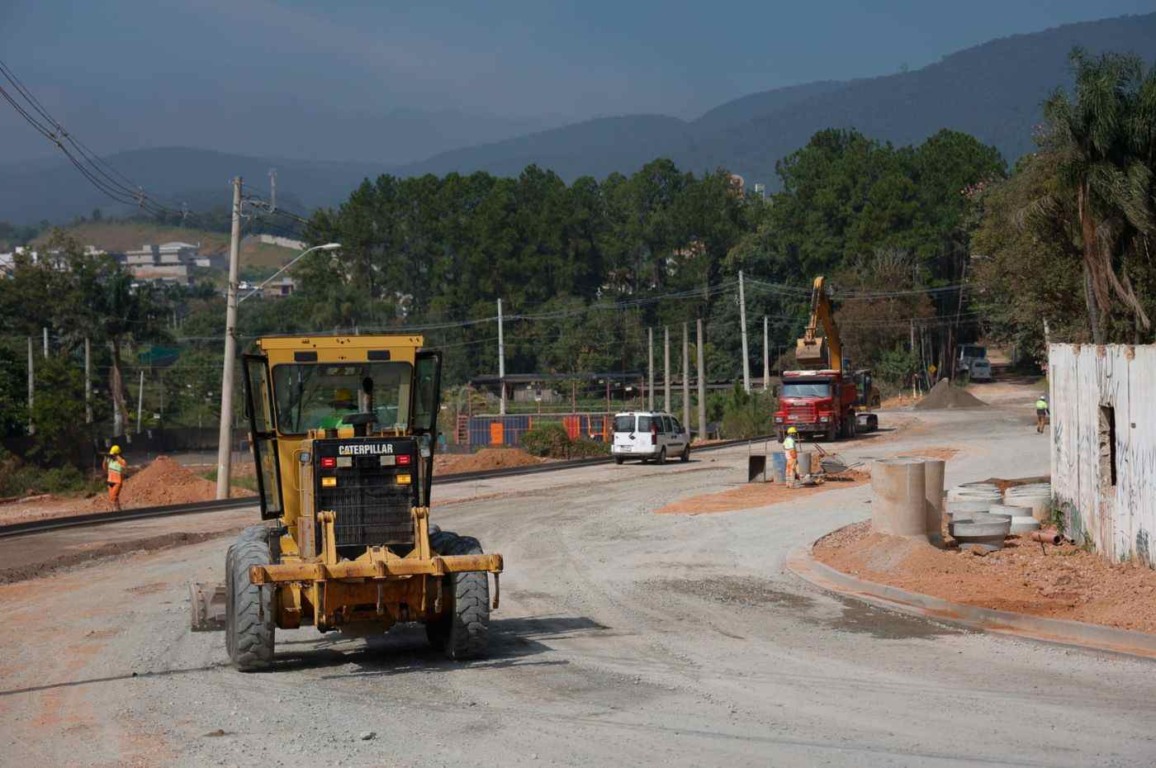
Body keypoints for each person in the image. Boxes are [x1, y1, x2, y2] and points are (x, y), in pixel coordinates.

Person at [102, 445, 128, 510]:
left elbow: (124, 465)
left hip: (117, 481)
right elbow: (104, 468)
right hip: (110, 481)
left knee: (114, 497)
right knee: (112, 498)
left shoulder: (121, 460)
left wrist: (116, 457)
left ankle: (116, 511)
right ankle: (118, 510)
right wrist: (105, 459)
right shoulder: (110, 460)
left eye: (113, 454)